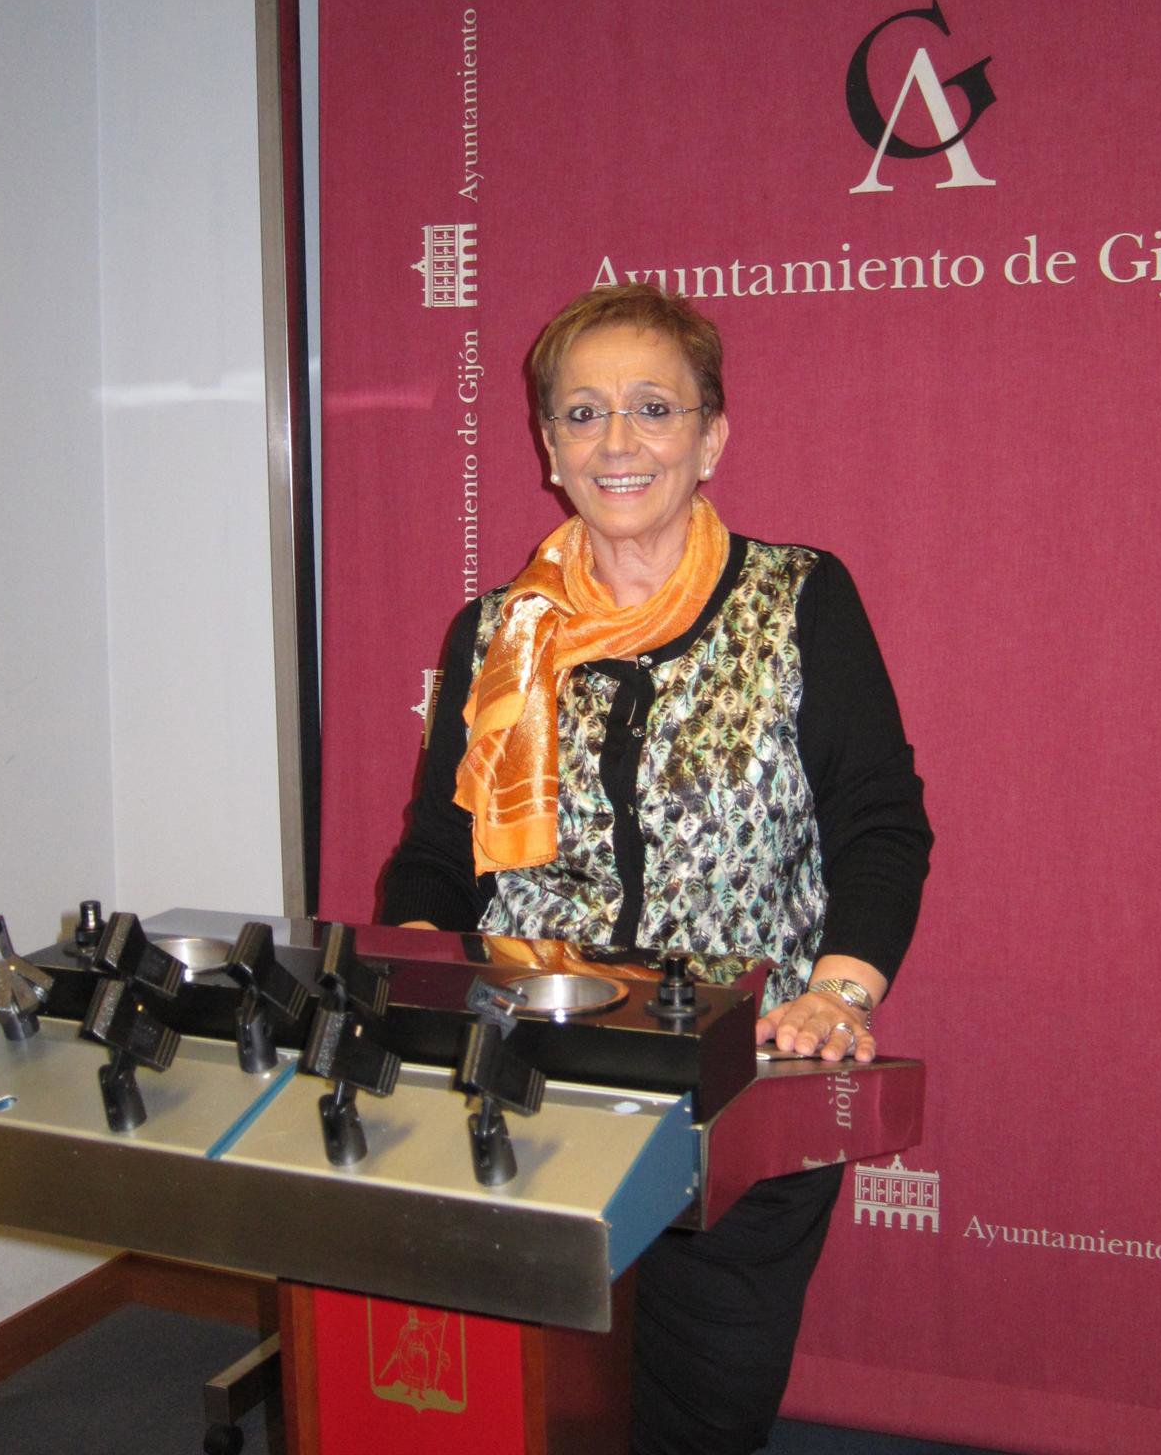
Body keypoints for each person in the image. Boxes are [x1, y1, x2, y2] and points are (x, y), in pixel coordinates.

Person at [382, 283, 932, 1454]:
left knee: (695, 1410)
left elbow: (880, 823)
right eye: (583, 413)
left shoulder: (799, 598)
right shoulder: (493, 634)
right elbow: (437, 855)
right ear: (548, 448)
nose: (617, 441)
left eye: (653, 407)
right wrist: (417, 979)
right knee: (539, 1402)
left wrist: (840, 993)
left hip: (743, 1071)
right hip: (531, 1071)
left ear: (710, 436)